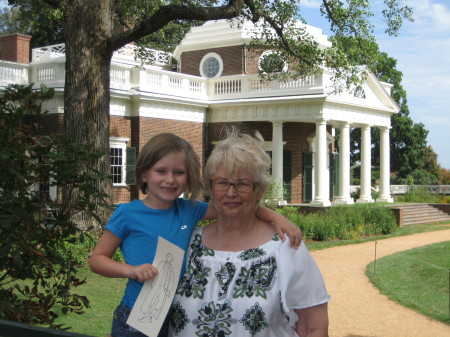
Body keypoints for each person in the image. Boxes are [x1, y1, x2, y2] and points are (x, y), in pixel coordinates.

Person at [88, 133, 302, 337]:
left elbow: (235, 206)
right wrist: (131, 270)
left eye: (179, 172)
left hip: (177, 316)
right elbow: (97, 260)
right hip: (137, 316)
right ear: (144, 174)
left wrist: (275, 217)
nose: (170, 180)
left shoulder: (190, 209)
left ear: (189, 176)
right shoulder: (127, 214)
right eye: (161, 171)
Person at [169, 129, 330, 337]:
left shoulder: (285, 247)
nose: (231, 192)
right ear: (210, 187)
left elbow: (313, 327)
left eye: (243, 184)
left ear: (260, 190)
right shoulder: (186, 241)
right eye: (222, 182)